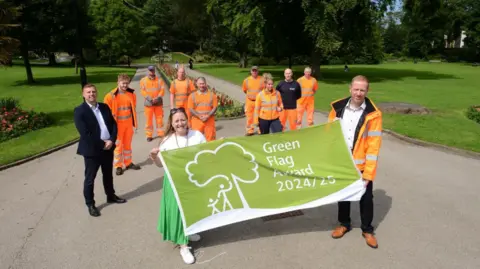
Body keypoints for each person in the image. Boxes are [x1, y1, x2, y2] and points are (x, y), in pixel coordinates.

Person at [327, 75, 383, 249]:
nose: (359, 93)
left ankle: (367, 230)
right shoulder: (337, 108)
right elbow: (329, 134)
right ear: (350, 88)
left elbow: (374, 146)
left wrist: (369, 172)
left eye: (362, 90)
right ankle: (344, 224)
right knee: (343, 195)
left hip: (362, 164)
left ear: (367, 91)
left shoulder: (373, 114)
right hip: (343, 161)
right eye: (356, 89)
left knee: (366, 198)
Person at [149, 107, 206, 264]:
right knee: (179, 211)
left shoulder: (197, 135)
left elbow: (205, 154)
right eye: (177, 121)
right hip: (174, 181)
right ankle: (183, 245)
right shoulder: (167, 141)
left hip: (193, 179)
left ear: (187, 120)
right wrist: (154, 157)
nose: (180, 123)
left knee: (191, 209)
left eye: (183, 119)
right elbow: (161, 165)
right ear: (172, 124)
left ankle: (188, 232)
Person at [73, 84, 127, 217]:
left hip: (108, 148)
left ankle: (111, 195)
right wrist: (102, 143)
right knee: (90, 178)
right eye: (88, 92)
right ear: (83, 95)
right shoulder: (80, 111)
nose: (91, 94)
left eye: (93, 92)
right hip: (92, 151)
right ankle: (90, 204)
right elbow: (85, 133)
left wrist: (112, 140)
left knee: (108, 174)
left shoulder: (104, 107)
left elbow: (114, 124)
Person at [104, 74, 141, 176]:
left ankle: (128, 163)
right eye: (123, 83)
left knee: (128, 145)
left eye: (126, 83)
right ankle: (118, 166)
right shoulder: (110, 96)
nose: (125, 85)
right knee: (118, 146)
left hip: (128, 124)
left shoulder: (131, 94)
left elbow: (132, 108)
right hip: (117, 126)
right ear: (118, 82)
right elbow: (106, 113)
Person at [187, 77, 218, 141]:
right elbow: (191, 109)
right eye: (200, 84)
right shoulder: (192, 96)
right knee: (196, 140)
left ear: (206, 84)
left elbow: (215, 107)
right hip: (197, 121)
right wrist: (199, 116)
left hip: (209, 121)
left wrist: (208, 116)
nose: (201, 86)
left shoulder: (212, 95)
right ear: (197, 84)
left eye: (203, 84)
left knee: (211, 140)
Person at [140, 66, 165, 142]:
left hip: (158, 103)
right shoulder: (143, 81)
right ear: (147, 71)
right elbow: (143, 91)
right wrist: (150, 99)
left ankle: (160, 133)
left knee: (159, 119)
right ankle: (149, 135)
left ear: (154, 71)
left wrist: (157, 98)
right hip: (149, 104)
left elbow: (162, 90)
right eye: (150, 71)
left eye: (153, 71)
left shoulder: (160, 80)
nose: (151, 72)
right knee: (148, 120)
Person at [242, 66, 264, 136]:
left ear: (258, 71)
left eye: (256, 71)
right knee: (249, 117)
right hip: (249, 101)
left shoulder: (262, 80)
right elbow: (245, 90)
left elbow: (265, 90)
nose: (254, 72)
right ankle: (250, 131)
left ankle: (260, 130)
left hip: (259, 101)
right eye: (253, 70)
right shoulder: (246, 80)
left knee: (260, 116)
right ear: (251, 71)